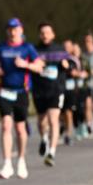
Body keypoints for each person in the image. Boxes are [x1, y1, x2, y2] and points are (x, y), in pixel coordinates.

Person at [0, 18, 43, 179]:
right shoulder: (0, 47)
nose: (13, 31)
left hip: (21, 91)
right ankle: (7, 164)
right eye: (10, 29)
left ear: (21, 30)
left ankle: (21, 161)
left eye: (16, 28)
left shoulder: (27, 48)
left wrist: (25, 65)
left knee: (20, 129)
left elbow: (39, 66)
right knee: (6, 126)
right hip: (4, 91)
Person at [32, 23, 69, 166]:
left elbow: (71, 64)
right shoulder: (34, 50)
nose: (45, 35)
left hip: (56, 89)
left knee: (54, 120)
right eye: (42, 33)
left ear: (53, 34)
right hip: (39, 90)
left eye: (47, 32)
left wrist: (66, 65)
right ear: (39, 35)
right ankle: (44, 140)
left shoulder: (60, 50)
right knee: (42, 122)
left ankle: (51, 153)